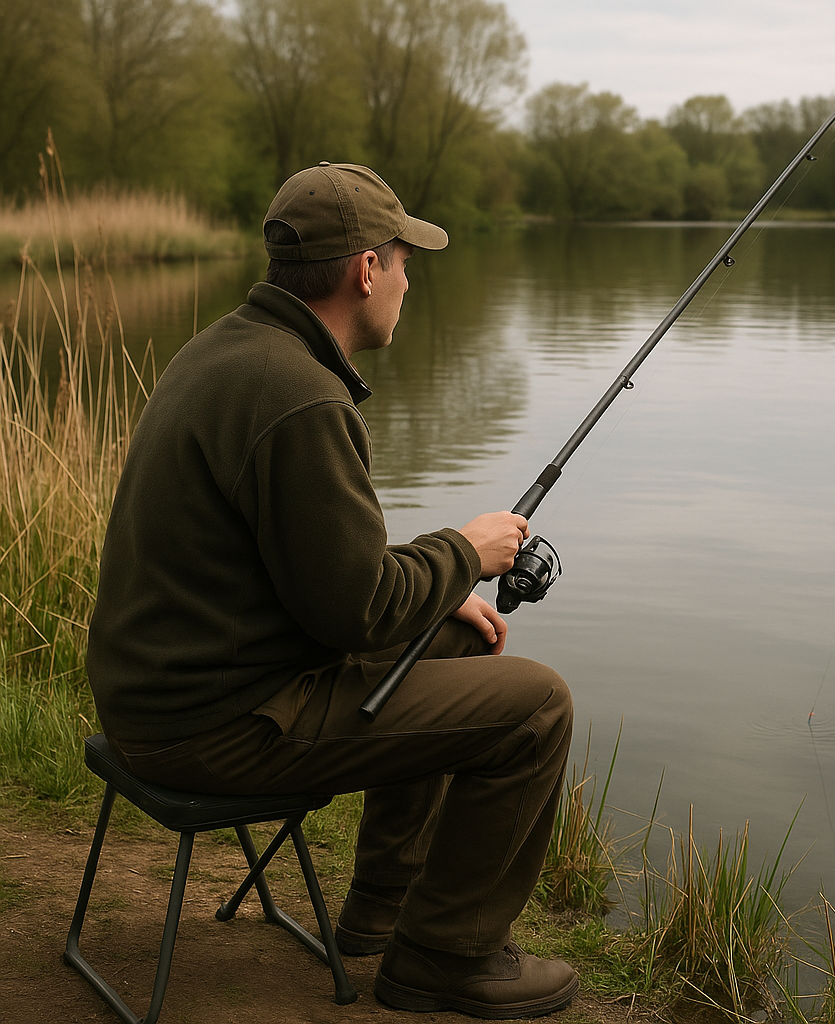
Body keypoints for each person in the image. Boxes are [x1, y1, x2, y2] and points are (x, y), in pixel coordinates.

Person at [86, 162, 577, 1019]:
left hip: (167, 695)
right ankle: (444, 958)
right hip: (214, 727)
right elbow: (352, 610)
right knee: (537, 705)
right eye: (402, 259)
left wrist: (436, 590)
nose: (408, 277)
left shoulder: (229, 349)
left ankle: (379, 914)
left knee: (455, 635)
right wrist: (466, 550)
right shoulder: (301, 397)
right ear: (364, 271)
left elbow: (303, 559)